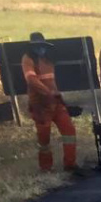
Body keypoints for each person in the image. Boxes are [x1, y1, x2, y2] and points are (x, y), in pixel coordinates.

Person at [21, 32, 77, 172]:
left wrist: (60, 99)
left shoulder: (48, 59)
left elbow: (53, 82)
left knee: (69, 132)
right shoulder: (28, 59)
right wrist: (48, 93)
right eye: (37, 46)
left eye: (42, 46)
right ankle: (46, 168)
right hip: (40, 105)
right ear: (32, 47)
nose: (40, 49)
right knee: (44, 139)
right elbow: (31, 80)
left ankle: (70, 165)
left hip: (56, 103)